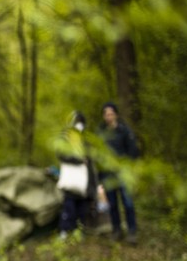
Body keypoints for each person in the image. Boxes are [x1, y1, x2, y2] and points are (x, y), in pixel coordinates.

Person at [98, 102, 140, 244]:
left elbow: (133, 151)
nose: (109, 116)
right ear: (103, 116)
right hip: (107, 174)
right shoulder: (101, 133)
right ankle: (116, 230)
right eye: (106, 114)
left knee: (128, 203)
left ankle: (132, 231)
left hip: (122, 173)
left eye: (111, 113)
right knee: (112, 204)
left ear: (115, 114)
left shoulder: (125, 131)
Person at [55, 111, 98, 238]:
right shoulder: (65, 138)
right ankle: (64, 230)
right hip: (70, 181)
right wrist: (78, 160)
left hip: (83, 182)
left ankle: (78, 231)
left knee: (82, 208)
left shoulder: (85, 141)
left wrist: (93, 185)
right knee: (69, 207)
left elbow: (90, 163)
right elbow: (61, 154)